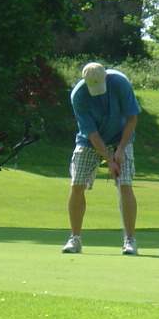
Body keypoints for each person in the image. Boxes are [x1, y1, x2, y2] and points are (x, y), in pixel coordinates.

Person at [62, 62, 140, 255]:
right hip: (90, 141)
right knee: (77, 184)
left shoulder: (120, 83)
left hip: (121, 137)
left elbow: (132, 118)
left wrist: (120, 149)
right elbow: (92, 133)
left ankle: (130, 240)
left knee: (125, 184)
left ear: (106, 77)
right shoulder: (79, 95)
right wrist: (109, 159)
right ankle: (75, 239)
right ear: (85, 81)